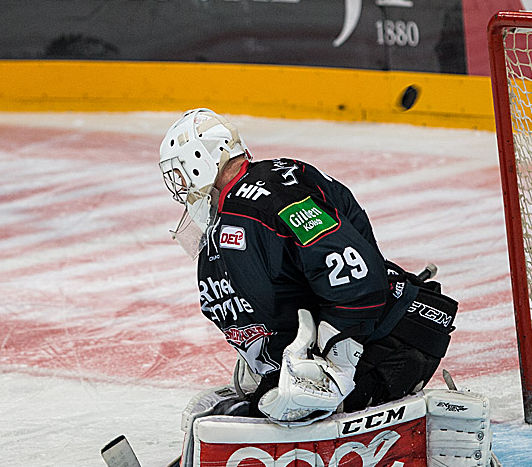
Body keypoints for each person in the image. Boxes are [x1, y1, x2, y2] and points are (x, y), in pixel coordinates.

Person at [158, 108, 458, 427]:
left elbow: (357, 275)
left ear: (200, 159)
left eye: (180, 172)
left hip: (393, 346)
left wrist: (337, 364)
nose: (180, 186)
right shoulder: (243, 201)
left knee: (279, 407)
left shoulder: (270, 198)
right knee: (260, 402)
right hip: (371, 339)